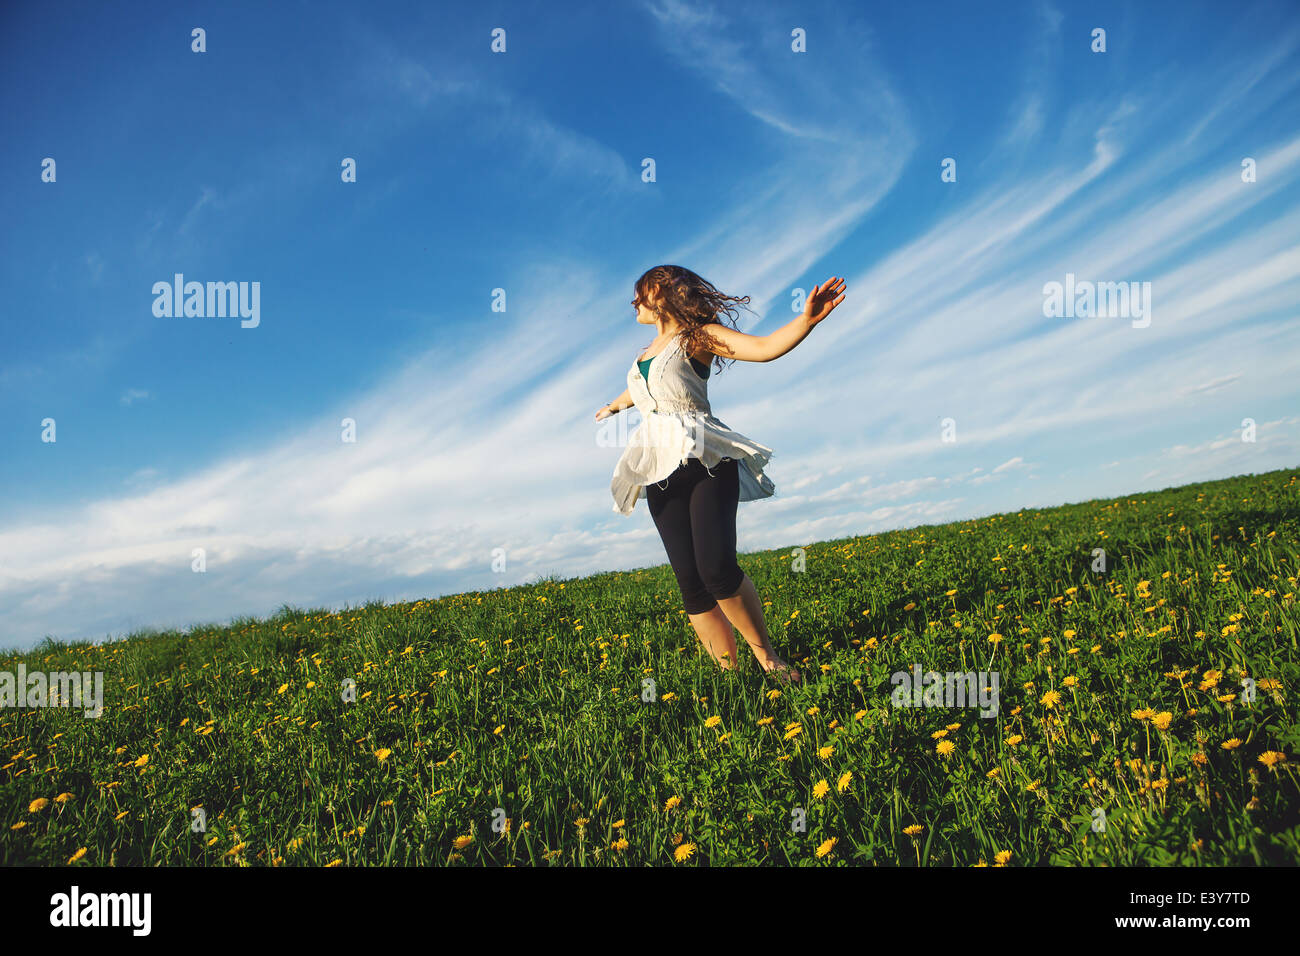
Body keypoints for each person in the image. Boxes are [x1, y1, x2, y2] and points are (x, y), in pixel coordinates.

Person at [596, 265, 846, 683]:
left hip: (705, 460)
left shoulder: (699, 336)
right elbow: (640, 386)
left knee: (717, 570)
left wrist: (805, 321)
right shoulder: (643, 355)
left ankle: (768, 659)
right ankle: (731, 678)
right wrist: (616, 405)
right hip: (658, 468)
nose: (634, 301)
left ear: (665, 294)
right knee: (691, 584)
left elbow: (764, 348)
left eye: (642, 292)